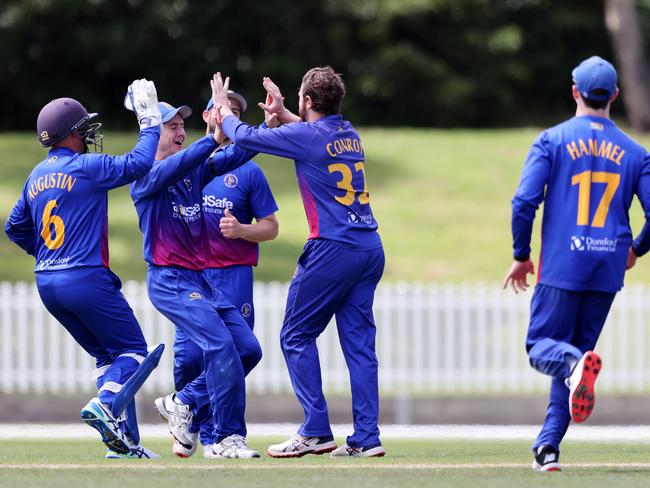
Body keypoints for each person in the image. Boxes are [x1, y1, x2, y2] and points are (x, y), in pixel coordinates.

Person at [211, 67, 386, 458]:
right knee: (359, 346)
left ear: (308, 101)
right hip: (369, 246)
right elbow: (311, 136)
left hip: (331, 247)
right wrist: (286, 114)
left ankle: (316, 430)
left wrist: (224, 112)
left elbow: (246, 136)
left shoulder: (308, 136)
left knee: (295, 335)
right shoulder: (349, 134)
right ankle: (367, 438)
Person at [503, 56, 650, 472]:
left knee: (543, 349)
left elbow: (523, 202)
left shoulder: (551, 140)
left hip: (564, 264)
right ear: (615, 96)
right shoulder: (636, 152)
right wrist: (636, 248)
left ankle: (572, 369)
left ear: (574, 92)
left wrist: (520, 255)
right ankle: (547, 447)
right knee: (576, 358)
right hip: (607, 268)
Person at [4, 80, 164, 459]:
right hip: (84, 276)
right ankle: (107, 403)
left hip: (48, 281)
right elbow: (140, 163)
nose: (89, 133)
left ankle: (123, 444)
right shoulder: (86, 167)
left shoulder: (34, 176)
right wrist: (149, 120)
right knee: (133, 350)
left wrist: (45, 253)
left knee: (108, 357)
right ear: (71, 134)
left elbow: (14, 227)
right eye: (83, 128)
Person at [130, 78, 262, 459]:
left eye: (181, 125)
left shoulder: (190, 169)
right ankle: (226, 439)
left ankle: (182, 402)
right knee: (220, 346)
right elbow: (194, 159)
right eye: (171, 125)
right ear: (151, 134)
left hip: (201, 280)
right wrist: (213, 139)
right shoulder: (145, 176)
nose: (179, 131)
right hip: (169, 279)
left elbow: (232, 157)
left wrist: (271, 130)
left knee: (247, 349)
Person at [170, 90, 279, 457]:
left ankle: (223, 434)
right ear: (207, 115)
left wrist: (242, 231)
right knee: (188, 356)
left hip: (233, 274)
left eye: (235, 114)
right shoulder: (184, 163)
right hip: (192, 276)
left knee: (236, 352)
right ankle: (189, 425)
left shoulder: (248, 170)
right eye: (223, 111)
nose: (228, 118)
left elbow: (271, 227)